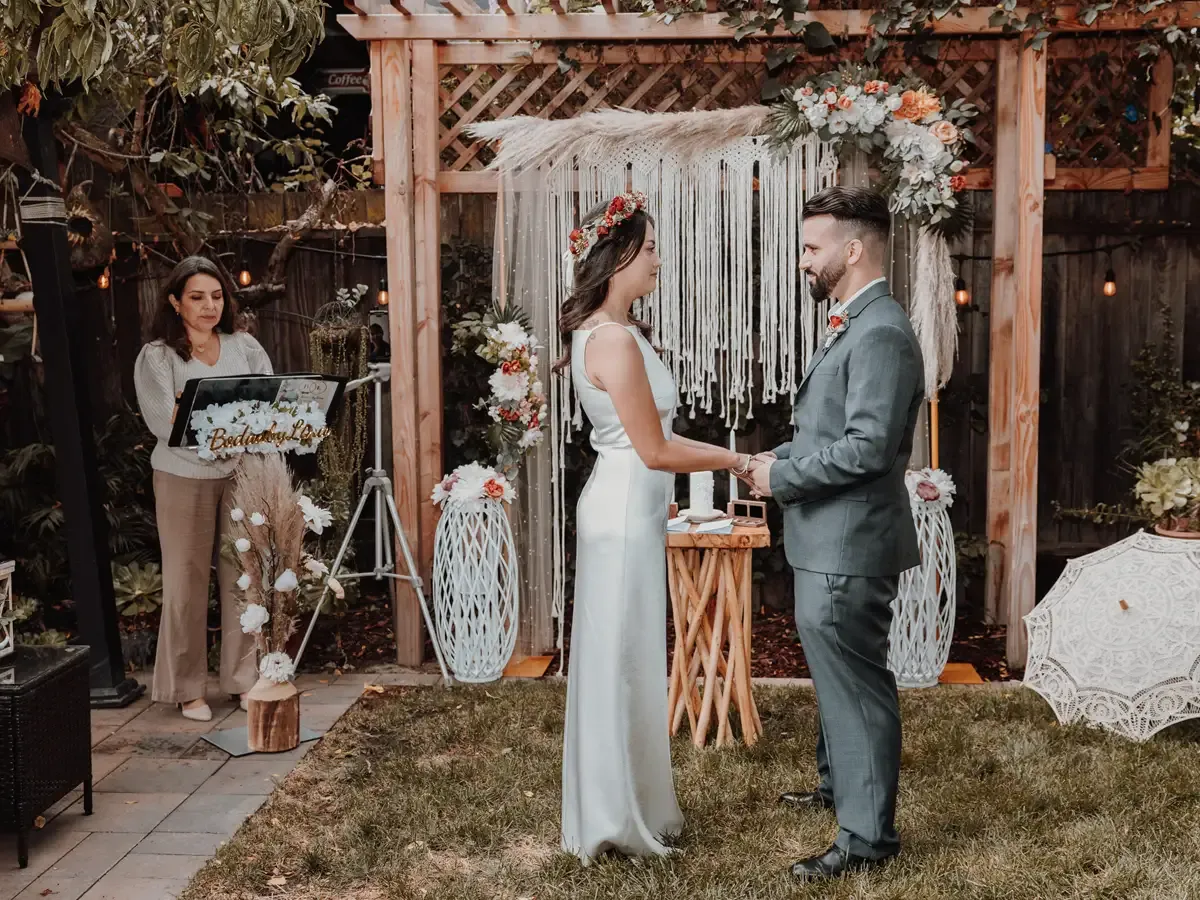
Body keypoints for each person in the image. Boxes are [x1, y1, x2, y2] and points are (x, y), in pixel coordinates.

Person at [557, 191, 753, 863]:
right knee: (619, 661)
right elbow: (656, 449)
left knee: (635, 657)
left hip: (631, 509)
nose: (661, 258)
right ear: (622, 257)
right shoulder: (610, 338)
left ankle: (636, 801)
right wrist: (739, 460)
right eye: (653, 248)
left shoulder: (622, 333)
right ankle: (613, 817)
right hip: (619, 509)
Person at [743, 186, 924, 882]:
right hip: (831, 537)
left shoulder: (880, 331)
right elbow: (831, 436)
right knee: (837, 675)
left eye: (811, 249)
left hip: (849, 544)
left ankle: (866, 839)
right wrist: (780, 458)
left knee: (856, 684)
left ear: (853, 251)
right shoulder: (859, 322)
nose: (803, 262)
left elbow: (869, 449)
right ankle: (838, 787)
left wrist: (782, 481)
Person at [134, 256, 274, 721]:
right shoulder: (159, 356)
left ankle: (242, 680)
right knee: (185, 581)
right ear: (176, 302)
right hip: (182, 477)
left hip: (241, 473)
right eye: (197, 297)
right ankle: (186, 688)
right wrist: (228, 420)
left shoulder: (245, 346)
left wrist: (203, 415)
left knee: (243, 578)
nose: (209, 305)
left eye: (216, 296)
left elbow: (266, 406)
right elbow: (165, 424)